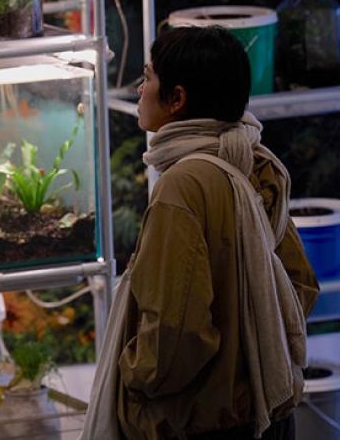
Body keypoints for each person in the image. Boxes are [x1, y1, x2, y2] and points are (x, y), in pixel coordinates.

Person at [106, 26, 319, 440]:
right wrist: (252, 354)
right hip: (265, 411)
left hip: (201, 423)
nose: (139, 89)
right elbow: (301, 286)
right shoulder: (253, 163)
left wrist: (133, 373)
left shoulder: (183, 185)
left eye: (148, 78)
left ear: (178, 99)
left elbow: (176, 328)